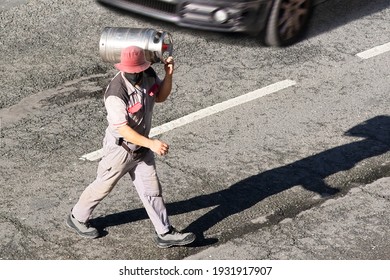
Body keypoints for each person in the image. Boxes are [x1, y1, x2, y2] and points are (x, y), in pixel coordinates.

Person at [66, 46, 196, 248]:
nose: (136, 74)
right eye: (132, 71)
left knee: (152, 190)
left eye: (139, 70)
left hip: (142, 149)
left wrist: (169, 74)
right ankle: (77, 217)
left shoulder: (148, 73)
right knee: (103, 186)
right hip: (120, 150)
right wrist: (151, 143)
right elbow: (123, 130)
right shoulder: (116, 93)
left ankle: (165, 232)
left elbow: (160, 96)